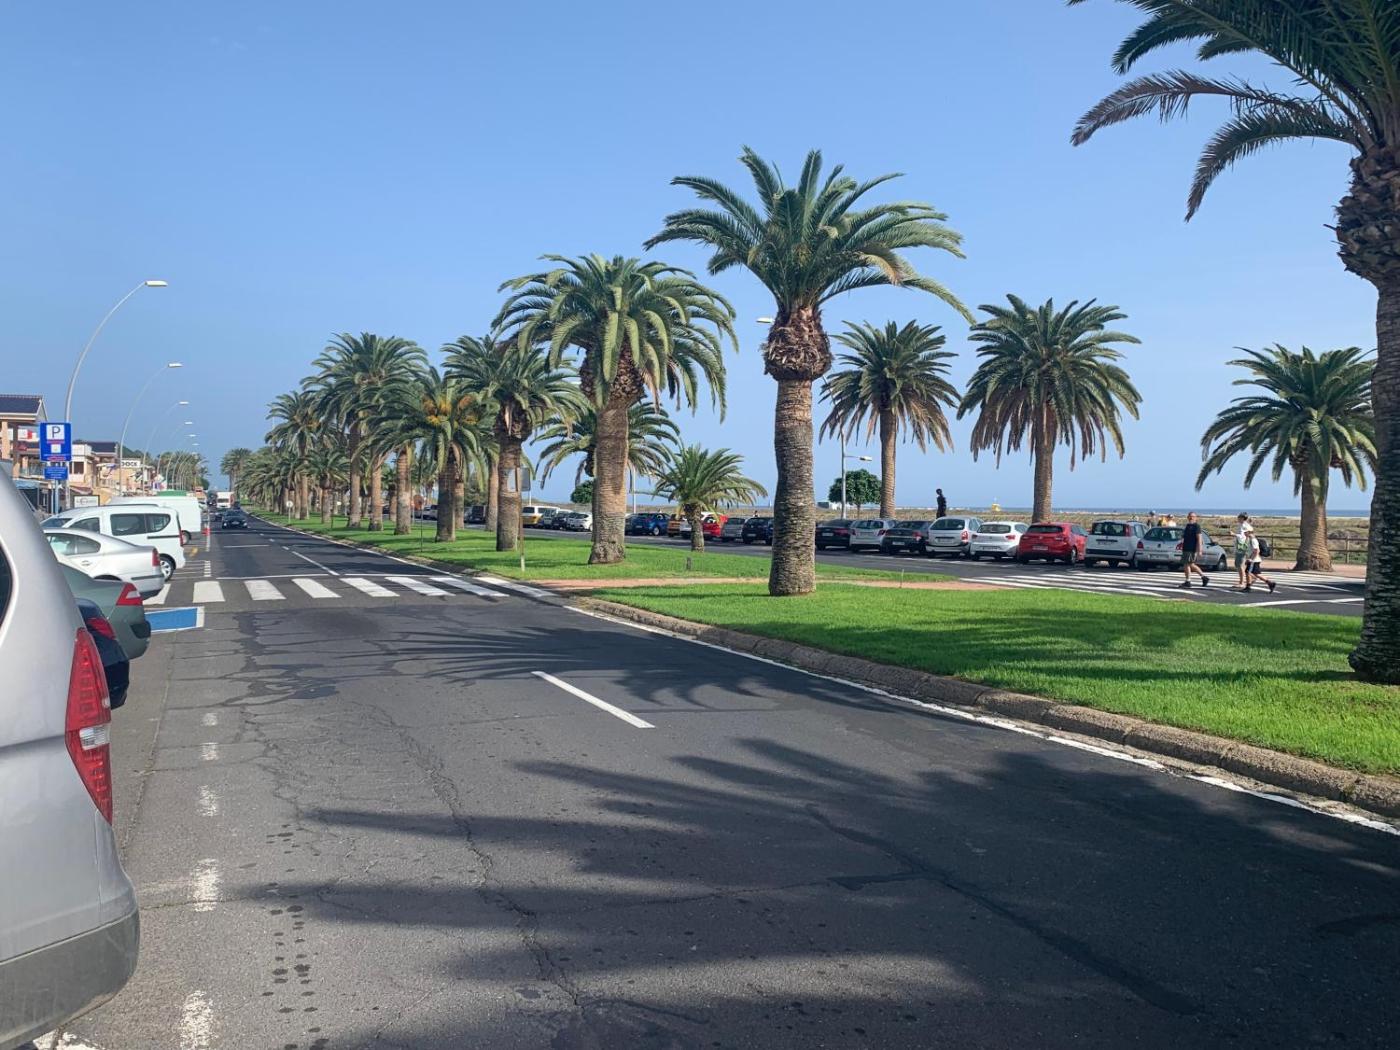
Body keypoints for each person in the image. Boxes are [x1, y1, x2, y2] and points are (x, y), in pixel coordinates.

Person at [1178, 511, 1210, 589]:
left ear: (1196, 518)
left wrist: (1199, 550)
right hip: (1186, 548)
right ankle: (1204, 577)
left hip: (1192, 548)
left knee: (1187, 564)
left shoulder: (1197, 526)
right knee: (1190, 564)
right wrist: (1181, 543)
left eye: (1193, 516)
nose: (1191, 518)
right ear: (1187, 517)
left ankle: (1188, 581)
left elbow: (1199, 539)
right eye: (1190, 516)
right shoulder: (1187, 526)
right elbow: (1185, 537)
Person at [1243, 528, 1277, 593]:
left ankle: (1248, 587)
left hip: (1254, 560)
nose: (1244, 533)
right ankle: (1270, 583)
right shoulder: (1251, 539)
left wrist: (1251, 559)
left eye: (1245, 532)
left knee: (1248, 572)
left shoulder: (1253, 540)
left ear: (1249, 532)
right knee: (1256, 574)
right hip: (1255, 560)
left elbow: (1256, 551)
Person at [1232, 513, 1254, 589]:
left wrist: (1234, 534)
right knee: (1239, 564)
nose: (1238, 518)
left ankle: (1242, 582)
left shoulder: (1244, 526)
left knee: (1239, 564)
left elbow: (1243, 536)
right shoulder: (1245, 525)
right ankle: (1248, 579)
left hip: (1242, 547)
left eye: (1239, 517)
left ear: (1242, 518)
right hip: (1242, 546)